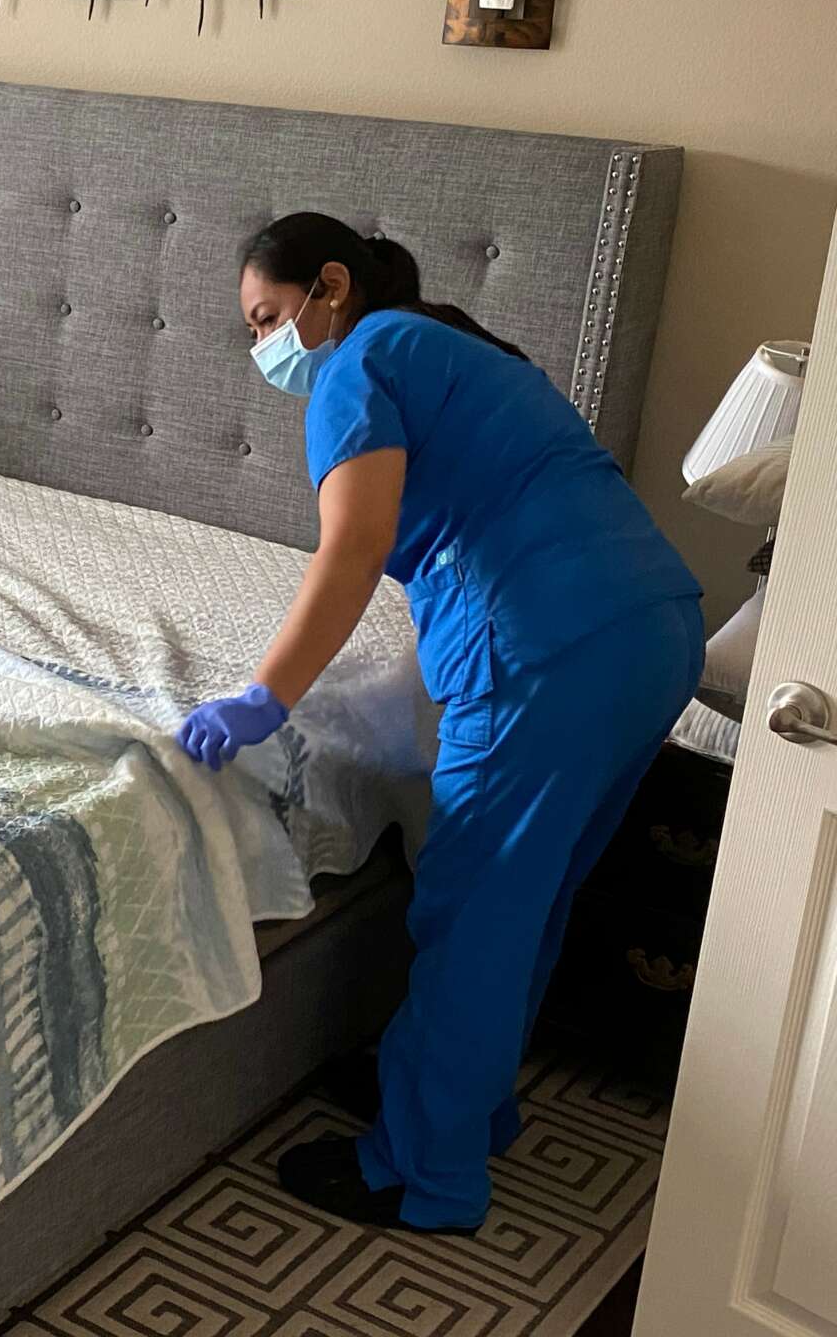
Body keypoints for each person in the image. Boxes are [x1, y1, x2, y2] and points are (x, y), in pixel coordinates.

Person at [178, 212, 703, 1235]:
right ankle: (464, 1108)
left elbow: (353, 547)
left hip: (545, 651)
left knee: (470, 913)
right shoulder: (455, 345)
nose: (263, 348)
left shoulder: (359, 363)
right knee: (528, 900)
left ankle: (424, 1176)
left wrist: (266, 694)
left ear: (331, 286)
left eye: (268, 318)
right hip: (654, 630)